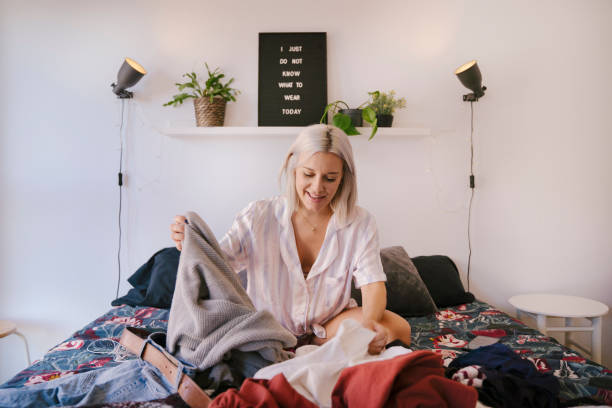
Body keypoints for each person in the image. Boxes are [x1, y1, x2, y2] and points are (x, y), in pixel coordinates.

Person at [170, 123, 411, 355]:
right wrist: (189, 243)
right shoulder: (258, 215)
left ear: (343, 179)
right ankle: (312, 353)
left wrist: (369, 326)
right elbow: (217, 264)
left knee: (398, 329)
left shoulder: (360, 222)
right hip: (265, 330)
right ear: (293, 168)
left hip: (326, 330)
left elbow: (373, 285)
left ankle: (318, 349)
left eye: (330, 178)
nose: (317, 188)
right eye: (309, 174)